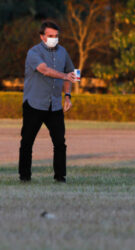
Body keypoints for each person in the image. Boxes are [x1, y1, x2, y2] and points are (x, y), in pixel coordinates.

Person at [19, 20, 76, 183]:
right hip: (34, 104)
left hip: (55, 105)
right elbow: (44, 70)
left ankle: (60, 177)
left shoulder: (63, 52)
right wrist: (65, 76)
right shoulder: (33, 53)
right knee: (27, 142)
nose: (54, 39)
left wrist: (67, 96)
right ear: (42, 36)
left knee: (60, 142)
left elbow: (70, 73)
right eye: (51, 36)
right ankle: (24, 177)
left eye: (56, 36)